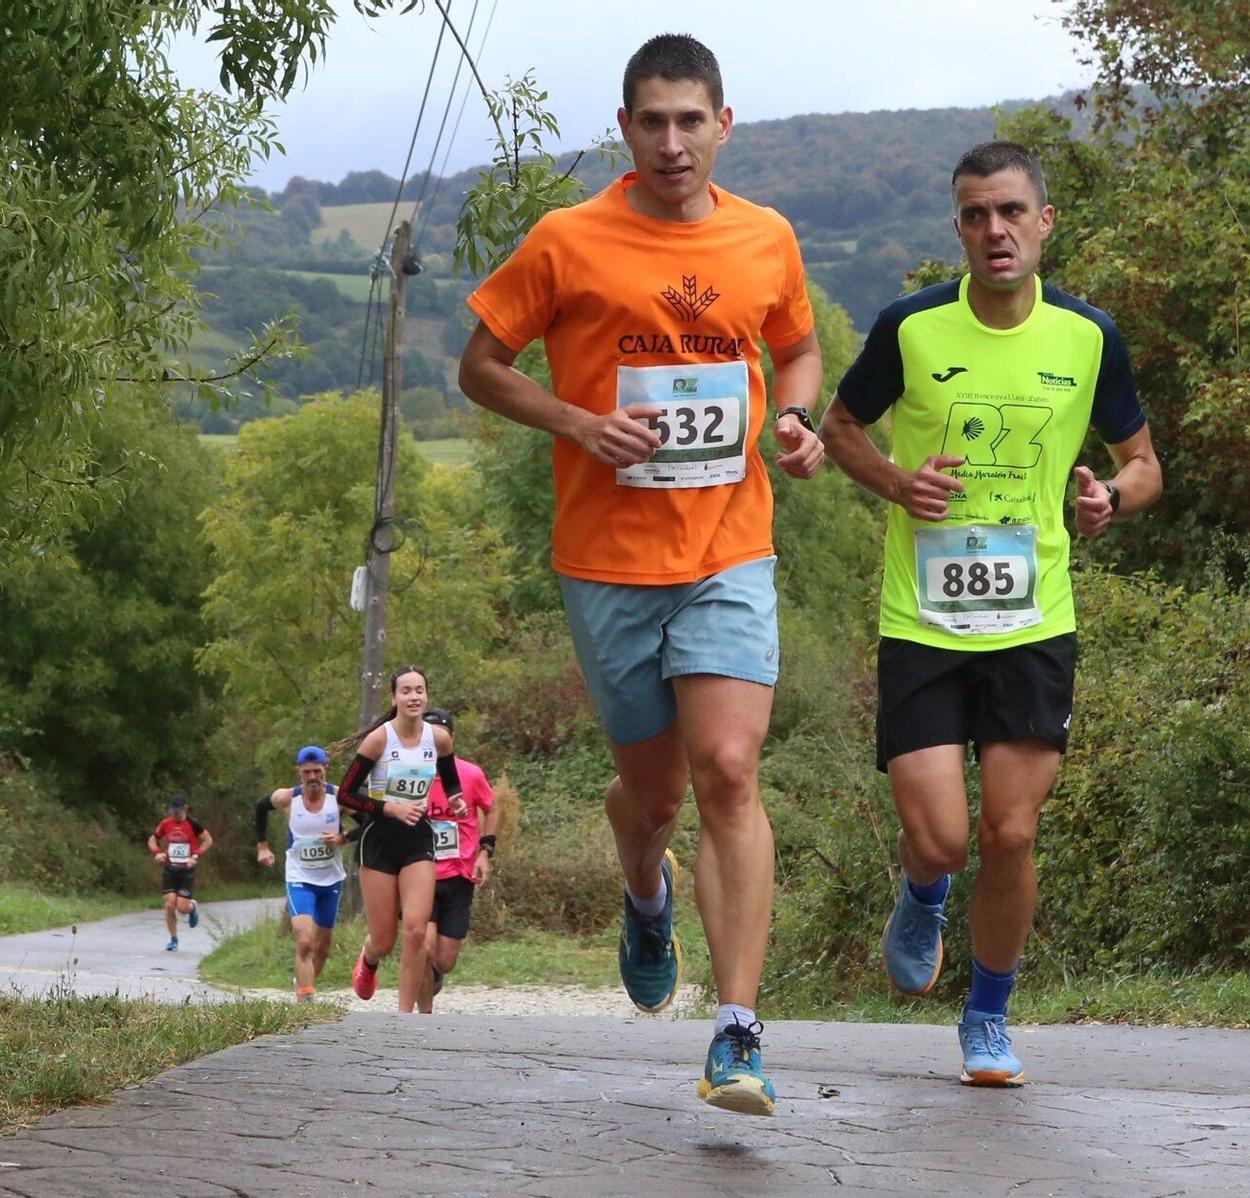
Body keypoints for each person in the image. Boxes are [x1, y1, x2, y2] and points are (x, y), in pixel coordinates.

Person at [457, 33, 823, 1115]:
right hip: (607, 563)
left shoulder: (766, 237)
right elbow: (478, 366)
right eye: (651, 120)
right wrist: (577, 421)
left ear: (723, 124)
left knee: (725, 771)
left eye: (689, 119)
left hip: (727, 548)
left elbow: (793, 348)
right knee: (652, 796)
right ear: (624, 129)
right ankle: (642, 891)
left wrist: (792, 418)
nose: (672, 141)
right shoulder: (566, 240)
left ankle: (737, 1031)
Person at [820, 140, 1162, 1087]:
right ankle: (922, 887)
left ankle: (988, 1014)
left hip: (1034, 618)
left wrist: (1112, 501)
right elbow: (839, 429)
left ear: (1044, 222)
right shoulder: (911, 328)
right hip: (924, 622)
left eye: (1011, 212)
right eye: (975, 215)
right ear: (959, 229)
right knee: (943, 838)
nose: (995, 231)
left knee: (1012, 834)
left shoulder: (1089, 338)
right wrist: (898, 483)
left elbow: (1144, 462)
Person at [332, 665, 467, 1013]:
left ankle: (403, 1018)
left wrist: (455, 798)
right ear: (394, 697)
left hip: (418, 840)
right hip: (379, 841)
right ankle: (369, 956)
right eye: (405, 691)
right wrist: (390, 809)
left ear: (427, 695)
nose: (413, 696)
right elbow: (345, 795)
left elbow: (450, 778)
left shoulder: (438, 738)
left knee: (418, 932)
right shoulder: (380, 739)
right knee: (384, 939)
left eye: (419, 690)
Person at [408, 707, 498, 1014]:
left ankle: (433, 976)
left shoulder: (470, 774)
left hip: (459, 874)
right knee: (423, 947)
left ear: (452, 739)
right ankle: (425, 1020)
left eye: (440, 736)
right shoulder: (410, 775)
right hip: (420, 872)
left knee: (444, 959)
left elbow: (492, 807)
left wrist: (486, 852)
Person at [254, 745, 346, 1002]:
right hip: (299, 877)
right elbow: (260, 808)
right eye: (307, 772)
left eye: (317, 771)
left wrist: (342, 837)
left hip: (331, 879)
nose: (313, 777)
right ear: (299, 772)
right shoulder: (287, 798)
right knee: (305, 940)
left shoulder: (339, 797)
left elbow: (368, 820)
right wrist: (262, 846)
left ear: (325, 769)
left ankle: (303, 983)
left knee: (323, 947)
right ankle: (305, 1001)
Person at [148, 794, 213, 951]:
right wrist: (157, 853)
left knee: (182, 908)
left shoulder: (193, 824)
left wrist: (196, 855)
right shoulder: (166, 823)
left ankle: (192, 908)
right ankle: (173, 939)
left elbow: (208, 840)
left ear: (185, 808)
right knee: (170, 905)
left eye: (177, 810)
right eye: (173, 810)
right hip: (170, 869)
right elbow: (152, 839)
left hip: (186, 870)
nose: (175, 814)